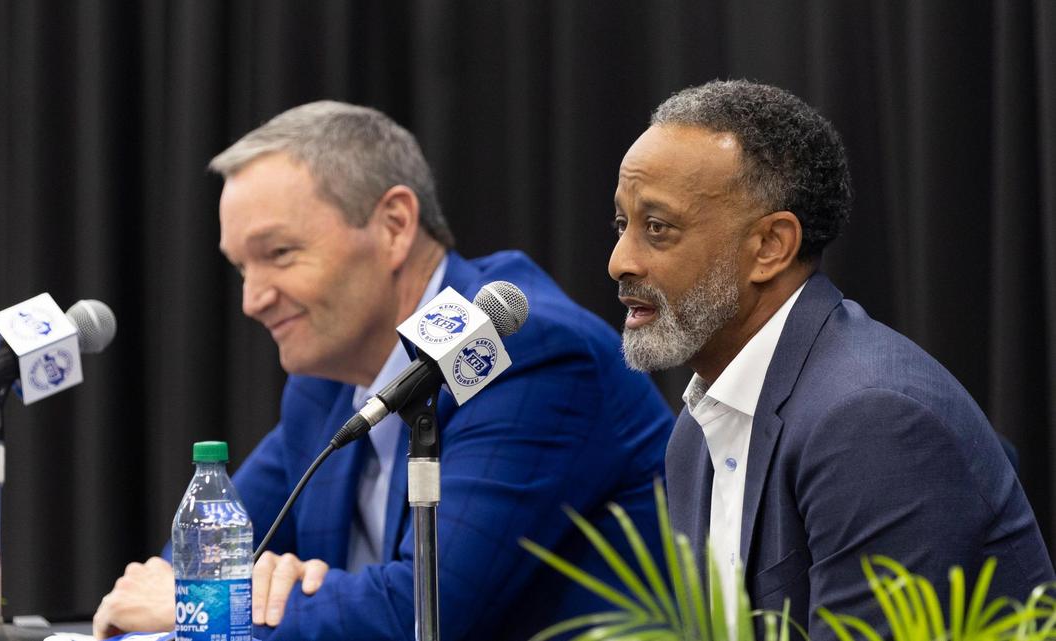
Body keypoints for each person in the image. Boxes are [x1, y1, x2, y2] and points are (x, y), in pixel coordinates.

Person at [92, 101, 675, 641]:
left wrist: (212, 607)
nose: (252, 299)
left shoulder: (525, 352)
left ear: (395, 225)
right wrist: (207, 593)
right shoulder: (325, 381)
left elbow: (422, 613)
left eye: (279, 254)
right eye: (242, 268)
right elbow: (197, 558)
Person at [607, 79, 1054, 635]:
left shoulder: (872, 419)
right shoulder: (694, 435)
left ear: (771, 247)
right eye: (623, 225)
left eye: (657, 228)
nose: (619, 262)